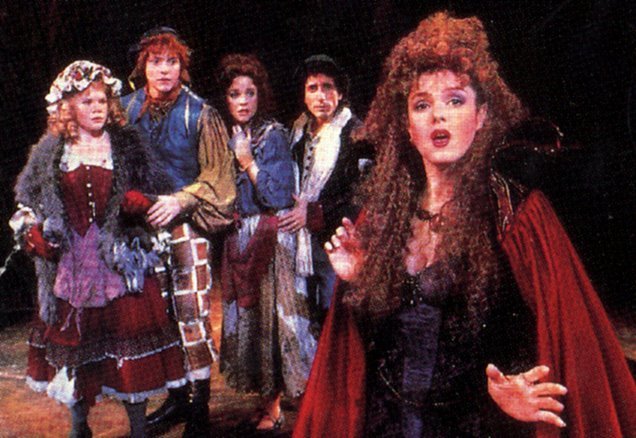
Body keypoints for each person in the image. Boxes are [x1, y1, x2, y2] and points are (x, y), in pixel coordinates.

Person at [294, 12, 636, 437]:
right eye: (422, 105)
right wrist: (359, 286)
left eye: (455, 101)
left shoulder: (517, 216)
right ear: (407, 124)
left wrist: (512, 388)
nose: (438, 116)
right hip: (387, 422)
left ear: (482, 114)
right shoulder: (381, 217)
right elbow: (362, 357)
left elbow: (558, 340)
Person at [10, 60, 186, 438]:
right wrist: (33, 232)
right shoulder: (52, 151)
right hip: (73, 266)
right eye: (87, 101)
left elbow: (159, 195)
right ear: (68, 107)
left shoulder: (126, 145)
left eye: (102, 100)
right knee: (77, 352)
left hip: (120, 264)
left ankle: (138, 429)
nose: (97, 108)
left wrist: (142, 205)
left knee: (128, 352)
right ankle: (80, 427)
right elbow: (27, 204)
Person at [121, 27, 236, 436]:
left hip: (187, 226)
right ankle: (176, 399)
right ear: (143, 66)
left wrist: (180, 200)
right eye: (156, 62)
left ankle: (199, 405)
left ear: (182, 67)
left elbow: (220, 178)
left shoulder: (199, 113)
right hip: (141, 232)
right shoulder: (124, 110)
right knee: (158, 317)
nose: (164, 70)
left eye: (172, 61)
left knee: (191, 314)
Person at [217, 53, 317, 431]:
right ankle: (267, 403)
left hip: (271, 240)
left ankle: (285, 408)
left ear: (261, 96)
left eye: (250, 93)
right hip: (241, 238)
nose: (243, 101)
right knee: (254, 323)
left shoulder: (271, 134)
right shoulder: (226, 134)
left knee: (276, 324)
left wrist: (247, 162)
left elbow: (276, 194)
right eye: (235, 94)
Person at [279, 55, 372, 329]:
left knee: (336, 312)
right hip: (301, 239)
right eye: (313, 88)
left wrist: (317, 212)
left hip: (337, 239)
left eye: (328, 87)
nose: (321, 96)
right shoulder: (298, 130)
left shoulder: (356, 133)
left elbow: (365, 193)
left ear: (340, 93)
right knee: (305, 314)